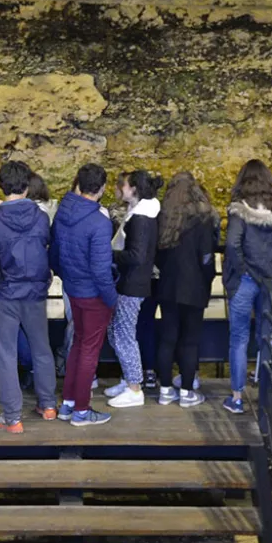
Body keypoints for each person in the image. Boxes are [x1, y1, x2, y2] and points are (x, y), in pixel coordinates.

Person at [0, 159, 58, 431]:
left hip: (5, 293)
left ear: (2, 187)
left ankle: (13, 417)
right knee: (41, 348)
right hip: (36, 292)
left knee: (6, 354)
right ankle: (49, 405)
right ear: (27, 186)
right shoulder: (41, 218)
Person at [220, 159, 272, 415]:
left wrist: (242, 269)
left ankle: (237, 398)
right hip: (271, 282)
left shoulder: (240, 210)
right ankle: (267, 397)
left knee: (238, 338)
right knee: (267, 338)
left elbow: (231, 244)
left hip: (246, 281)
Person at [50, 163, 117, 426]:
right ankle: (81, 410)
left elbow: (54, 253)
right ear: (101, 189)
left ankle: (68, 403)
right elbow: (101, 271)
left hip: (73, 289)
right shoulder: (99, 222)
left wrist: (67, 278)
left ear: (77, 183)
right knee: (89, 350)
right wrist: (112, 299)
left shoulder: (63, 211)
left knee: (78, 345)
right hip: (93, 295)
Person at [153, 171, 215, 406]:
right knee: (190, 340)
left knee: (168, 338)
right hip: (194, 287)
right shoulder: (202, 218)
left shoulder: (165, 217)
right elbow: (206, 257)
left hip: (168, 286)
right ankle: (187, 392)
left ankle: (165, 390)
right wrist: (207, 280)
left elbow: (157, 255)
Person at [102, 170, 160, 408]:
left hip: (132, 284)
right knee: (116, 332)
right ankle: (129, 379)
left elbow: (136, 255)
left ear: (134, 189)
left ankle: (135, 388)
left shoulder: (141, 219)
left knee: (124, 335)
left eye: (123, 185)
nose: (120, 188)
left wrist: (109, 254)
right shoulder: (139, 214)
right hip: (130, 282)